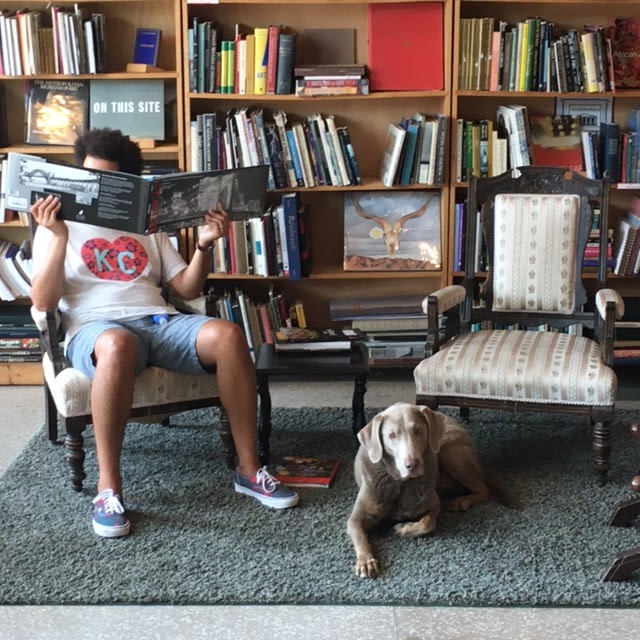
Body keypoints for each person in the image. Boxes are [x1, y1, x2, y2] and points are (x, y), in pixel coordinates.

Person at [30, 128, 298, 538]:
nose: (96, 187)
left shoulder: (147, 226)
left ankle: (249, 471)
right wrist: (59, 236)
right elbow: (44, 302)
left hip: (158, 321)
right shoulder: (55, 226)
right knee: (117, 344)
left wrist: (204, 245)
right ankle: (108, 489)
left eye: (107, 180)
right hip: (97, 328)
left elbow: (187, 289)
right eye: (89, 176)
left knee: (228, 335)